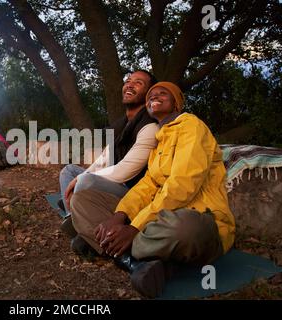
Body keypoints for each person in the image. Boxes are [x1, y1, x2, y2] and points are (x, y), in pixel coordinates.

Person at [70, 82, 236, 298]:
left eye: (162, 93)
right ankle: (133, 261)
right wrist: (120, 216)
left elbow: (182, 185)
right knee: (81, 200)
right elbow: (146, 187)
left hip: (200, 218)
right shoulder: (159, 141)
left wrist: (135, 227)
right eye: (151, 95)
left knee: (185, 228)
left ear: (176, 102)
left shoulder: (191, 126)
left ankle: (102, 241)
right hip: (157, 218)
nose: (154, 96)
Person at [58, 70, 159, 237]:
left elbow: (126, 170)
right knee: (69, 171)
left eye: (138, 83)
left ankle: (81, 218)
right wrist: (81, 175)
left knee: (85, 180)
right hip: (117, 185)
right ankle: (71, 216)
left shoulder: (150, 126)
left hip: (133, 194)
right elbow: (103, 160)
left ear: (149, 95)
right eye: (128, 80)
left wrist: (82, 179)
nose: (130, 84)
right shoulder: (123, 124)